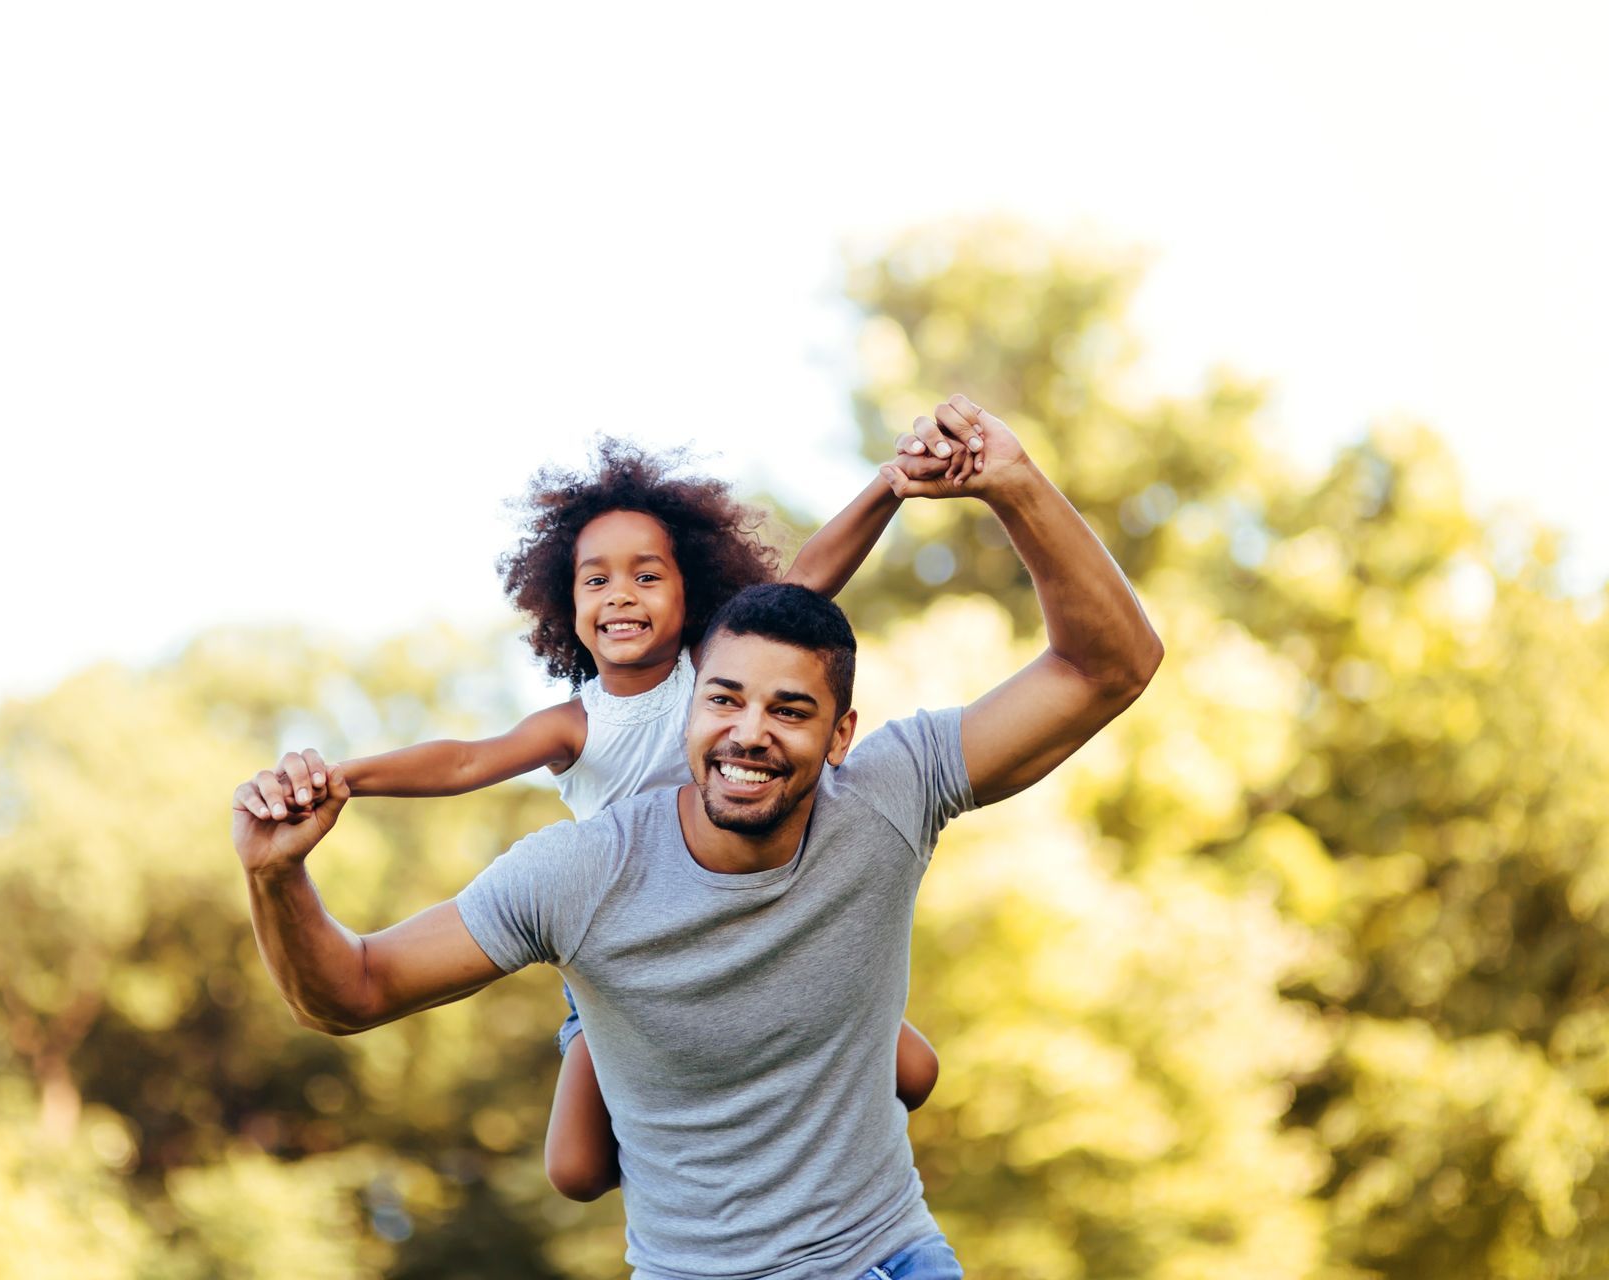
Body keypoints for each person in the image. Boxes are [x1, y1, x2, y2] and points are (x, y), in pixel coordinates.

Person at [233, 396, 1163, 1279]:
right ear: (694, 705)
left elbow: (1108, 665)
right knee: (576, 1160)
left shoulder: (887, 792)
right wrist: (281, 877)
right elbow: (350, 991)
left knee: (905, 1062)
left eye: (790, 709)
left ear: (841, 736)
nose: (749, 730)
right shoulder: (580, 865)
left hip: (889, 1259)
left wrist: (1011, 481)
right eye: (724, 700)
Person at [312, 436, 952, 1200]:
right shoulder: (574, 726)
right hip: (630, 950)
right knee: (576, 1171)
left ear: (694, 594)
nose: (621, 594)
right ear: (567, 602)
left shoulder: (713, 681)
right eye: (597, 580)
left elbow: (810, 577)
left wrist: (890, 487)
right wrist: (343, 779)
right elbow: (462, 762)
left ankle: (775, 1087)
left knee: (915, 1075)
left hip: (758, 925)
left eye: (647, 576)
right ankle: (689, 1108)